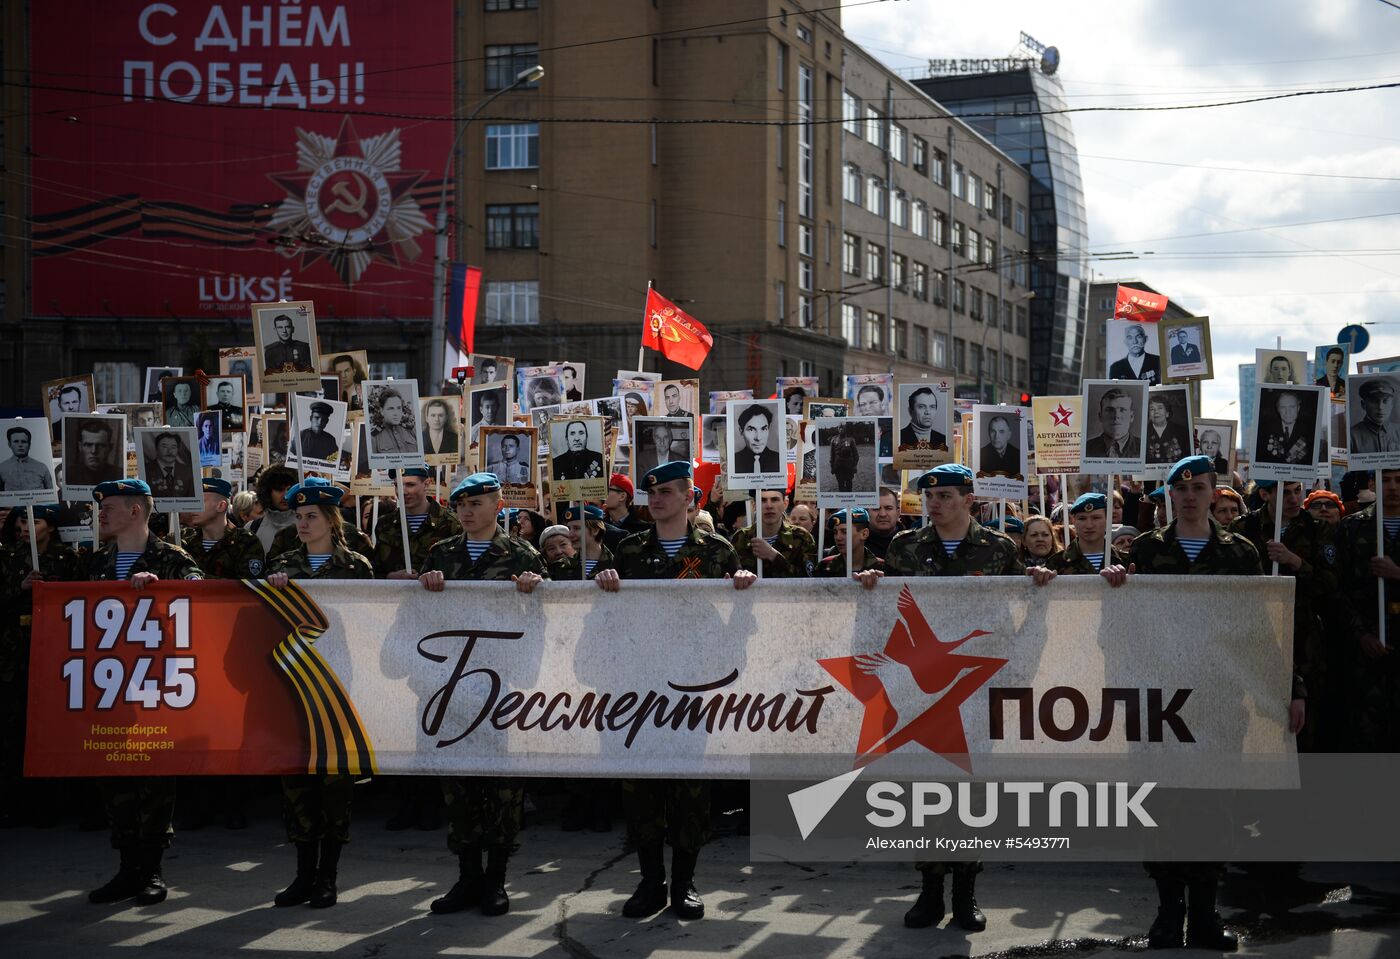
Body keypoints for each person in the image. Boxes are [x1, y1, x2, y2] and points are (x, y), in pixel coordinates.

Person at [854, 463, 1057, 935]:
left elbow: (1017, 613)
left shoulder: (1000, 548)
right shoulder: (906, 548)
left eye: (946, 495)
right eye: (931, 496)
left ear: (970, 500)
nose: (936, 504)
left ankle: (966, 890)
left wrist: (1040, 583)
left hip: (973, 687)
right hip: (922, 689)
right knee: (924, 790)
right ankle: (929, 889)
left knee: (970, 790)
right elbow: (890, 613)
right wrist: (871, 584)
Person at [1129, 455, 1292, 951]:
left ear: (1214, 493)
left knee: (1214, 806)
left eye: (1199, 488)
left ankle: (1204, 913)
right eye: (1180, 490)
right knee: (1163, 806)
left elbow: (1260, 630)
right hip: (1160, 700)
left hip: (1219, 699)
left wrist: (1290, 688)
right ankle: (1166, 913)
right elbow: (1121, 630)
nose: (1190, 497)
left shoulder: (1240, 553)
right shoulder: (1144, 550)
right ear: (1169, 497)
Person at [594, 460, 755, 921]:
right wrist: (601, 583)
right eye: (651, 492)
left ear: (690, 498)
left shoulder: (719, 551)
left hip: (691, 691)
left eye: (666, 491)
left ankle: (684, 883)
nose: (656, 498)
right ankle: (650, 882)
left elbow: (740, 625)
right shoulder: (626, 550)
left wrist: (743, 588)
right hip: (639, 693)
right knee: (641, 790)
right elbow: (600, 619)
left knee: (689, 791)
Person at [418, 472, 547, 917]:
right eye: (461, 505)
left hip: (502, 690)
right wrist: (428, 588)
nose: (468, 512)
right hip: (452, 688)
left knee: (503, 790)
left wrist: (532, 593)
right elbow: (420, 620)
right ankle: (467, 877)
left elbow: (542, 625)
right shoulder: (440, 554)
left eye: (476, 503)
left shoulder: (522, 555)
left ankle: (495, 881)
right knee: (460, 787)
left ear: (497, 505)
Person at [86, 478, 203, 907]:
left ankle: (151, 869)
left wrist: (166, 587)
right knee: (114, 776)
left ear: (136, 511)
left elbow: (199, 591)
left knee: (154, 778)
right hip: (109, 686)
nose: (101, 513)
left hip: (154, 687)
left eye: (109, 506)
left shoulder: (171, 558)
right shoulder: (98, 562)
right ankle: (126, 867)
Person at [264, 478, 374, 909]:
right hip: (294, 690)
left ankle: (327, 877)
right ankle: (302, 875)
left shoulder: (356, 568)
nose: (303, 522)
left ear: (332, 519)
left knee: (334, 788)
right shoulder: (284, 565)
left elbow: (369, 626)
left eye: (312, 516)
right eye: (298, 515)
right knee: (297, 786)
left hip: (338, 690)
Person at [1230, 480, 1332, 755]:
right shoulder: (1243, 529)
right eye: (1285, 492)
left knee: (1304, 725)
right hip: (1255, 637)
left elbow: (1331, 586)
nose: (1293, 498)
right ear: (1265, 494)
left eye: (1297, 490)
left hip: (1304, 637)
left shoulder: (1317, 529)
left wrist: (1295, 561)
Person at [0, 504, 81, 827]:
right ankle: (14, 803)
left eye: (34, 520)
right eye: (22, 520)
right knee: (13, 732)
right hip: (13, 658)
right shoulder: (6, 557)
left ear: (50, 526)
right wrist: (18, 588)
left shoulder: (68, 559)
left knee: (55, 728)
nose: (25, 526)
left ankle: (54, 803)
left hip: (56, 657)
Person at [730, 489, 817, 576]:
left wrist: (774, 556)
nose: (769, 506)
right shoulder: (741, 538)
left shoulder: (802, 538)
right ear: (754, 505)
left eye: (775, 500)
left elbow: (809, 580)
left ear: (785, 503)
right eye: (762, 500)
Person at [1047, 493, 1129, 575]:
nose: (1089, 525)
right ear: (1073, 520)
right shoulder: (1056, 563)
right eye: (1082, 519)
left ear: (1107, 519)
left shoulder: (1126, 561)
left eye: (1096, 518)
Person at [549, 504, 614, 579]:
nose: (570, 534)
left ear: (595, 530)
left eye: (577, 528)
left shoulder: (616, 564)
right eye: (569, 528)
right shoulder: (560, 566)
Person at [816, 507, 882, 577]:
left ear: (864, 534)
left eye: (845, 532)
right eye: (835, 532)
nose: (838, 537)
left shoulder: (880, 567)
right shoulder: (824, 566)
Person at [1260, 390, 1316, 464]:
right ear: (1278, 409)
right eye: (1283, 407)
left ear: (1298, 408)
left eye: (1292, 407)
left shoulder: (1311, 431)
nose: (1288, 412)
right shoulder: (1265, 431)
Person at [1085, 388, 1141, 458]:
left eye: (1122, 410)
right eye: (1110, 410)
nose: (1116, 416)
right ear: (1100, 416)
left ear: (1131, 416)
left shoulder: (1144, 449)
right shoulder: (1086, 449)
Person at [1351, 378, 1400, 454]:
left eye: (1385, 401)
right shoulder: (1352, 436)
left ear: (1392, 405)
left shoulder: (1398, 431)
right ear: (1363, 404)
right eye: (1374, 401)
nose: (1380, 407)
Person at [66, 419, 118, 487]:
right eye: (88, 445)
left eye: (100, 445)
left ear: (110, 448)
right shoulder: (69, 475)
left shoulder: (119, 475)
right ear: (80, 447)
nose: (94, 451)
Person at [0, 426, 52, 491]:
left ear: (29, 445)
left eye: (23, 441)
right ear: (9, 444)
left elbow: (51, 494)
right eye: (16, 441)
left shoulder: (42, 467)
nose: (20, 445)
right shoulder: (2, 468)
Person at [1145, 396, 1190, 465]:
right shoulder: (1143, 432)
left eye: (1160, 408)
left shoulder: (1182, 431)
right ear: (1149, 415)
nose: (1156, 412)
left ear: (1167, 413)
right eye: (1152, 409)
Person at [370, 387, 417, 454]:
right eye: (391, 408)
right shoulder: (374, 438)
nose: (396, 413)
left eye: (399, 408)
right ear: (382, 411)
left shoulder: (411, 432)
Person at [147, 432, 194, 498]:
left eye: (173, 447)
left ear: (178, 449)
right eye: (164, 447)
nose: (169, 451)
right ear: (156, 448)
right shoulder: (146, 470)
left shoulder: (188, 471)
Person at [734, 405, 779, 473]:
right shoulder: (733, 461)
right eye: (751, 430)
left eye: (763, 429)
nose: (758, 438)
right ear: (741, 431)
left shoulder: (779, 459)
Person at [827, 421, 859, 492]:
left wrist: (854, 466)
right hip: (838, 466)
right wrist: (832, 467)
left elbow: (856, 455)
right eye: (840, 428)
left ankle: (849, 499)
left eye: (843, 428)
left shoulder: (851, 439)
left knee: (849, 484)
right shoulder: (834, 440)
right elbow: (832, 455)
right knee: (840, 484)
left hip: (849, 466)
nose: (841, 429)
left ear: (845, 429)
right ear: (838, 429)